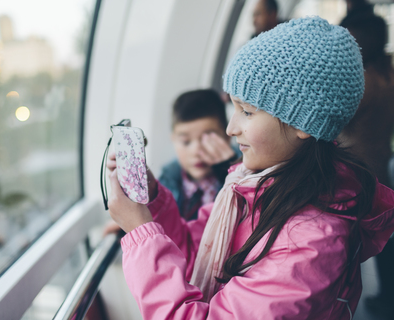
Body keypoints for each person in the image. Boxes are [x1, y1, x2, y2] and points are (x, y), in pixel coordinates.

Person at [106, 17, 394, 319]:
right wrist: (152, 203)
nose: (230, 129)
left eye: (246, 111)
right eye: (233, 108)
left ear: (303, 123)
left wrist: (141, 231)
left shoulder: (310, 245)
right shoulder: (250, 189)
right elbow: (198, 251)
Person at [338, 13, 394, 317]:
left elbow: (334, 117)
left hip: (356, 170)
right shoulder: (387, 73)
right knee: (383, 240)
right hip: (380, 163)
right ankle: (386, 296)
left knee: (347, 244)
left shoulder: (364, 82)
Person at [158, 89, 237, 221]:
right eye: (186, 142)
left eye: (208, 140)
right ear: (173, 139)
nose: (197, 151)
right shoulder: (165, 182)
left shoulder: (247, 177)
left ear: (227, 136)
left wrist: (230, 172)